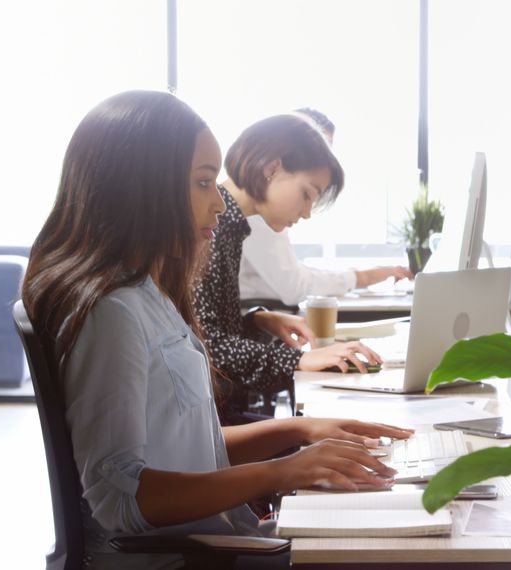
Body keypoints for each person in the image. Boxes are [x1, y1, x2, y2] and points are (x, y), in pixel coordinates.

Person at [21, 90, 411, 567]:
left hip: (216, 540)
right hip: (186, 558)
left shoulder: (151, 294)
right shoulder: (113, 312)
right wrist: (279, 470)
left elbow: (189, 446)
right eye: (204, 183)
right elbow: (122, 497)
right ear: (146, 188)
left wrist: (302, 429)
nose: (220, 205)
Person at [195, 113, 396, 424]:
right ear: (272, 168)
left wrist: (259, 320)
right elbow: (209, 350)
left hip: (219, 414)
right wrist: (300, 360)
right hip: (212, 423)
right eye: (307, 194)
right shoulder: (213, 226)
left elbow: (206, 329)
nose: (307, 213)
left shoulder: (233, 226)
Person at [236, 108, 411, 307]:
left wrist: (367, 274)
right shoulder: (254, 214)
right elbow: (294, 287)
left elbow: (294, 273)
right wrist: (363, 277)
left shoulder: (258, 211)